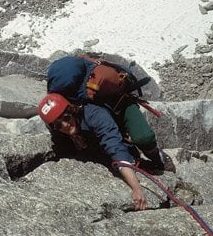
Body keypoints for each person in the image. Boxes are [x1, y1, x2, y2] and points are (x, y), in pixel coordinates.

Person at [38, 56, 175, 211]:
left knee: (142, 137)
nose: (64, 125)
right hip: (103, 116)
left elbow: (113, 145)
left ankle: (159, 157)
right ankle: (136, 158)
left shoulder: (94, 114)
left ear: (72, 110)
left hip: (121, 106)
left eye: (66, 118)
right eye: (57, 125)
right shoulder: (63, 115)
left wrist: (136, 188)